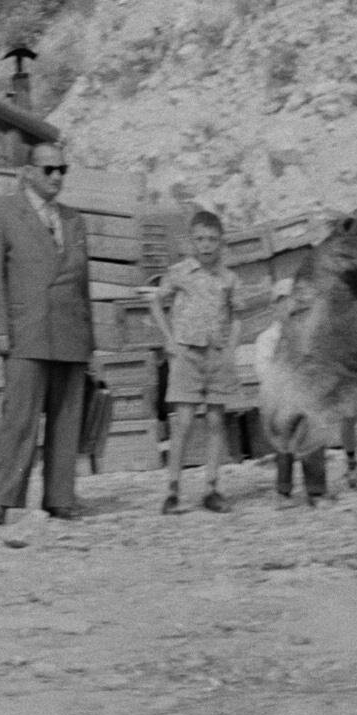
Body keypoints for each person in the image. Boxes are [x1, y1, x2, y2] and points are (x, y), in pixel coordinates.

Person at [0, 139, 96, 527]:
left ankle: (60, 497)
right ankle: (3, 499)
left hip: (70, 334)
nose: (57, 176)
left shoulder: (74, 220)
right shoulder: (1, 212)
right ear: (28, 173)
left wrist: (89, 342)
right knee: (19, 421)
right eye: (49, 169)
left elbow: (83, 284)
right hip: (25, 333)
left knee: (67, 420)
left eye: (62, 169)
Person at [154, 209, 238, 516]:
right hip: (187, 355)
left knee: (216, 422)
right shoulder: (179, 272)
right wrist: (169, 340)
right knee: (184, 423)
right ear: (192, 241)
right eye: (200, 239)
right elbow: (155, 302)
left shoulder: (228, 278)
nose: (206, 245)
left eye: (212, 239)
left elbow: (236, 315)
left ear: (221, 242)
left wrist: (230, 349)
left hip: (216, 356)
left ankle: (211, 489)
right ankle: (172, 491)